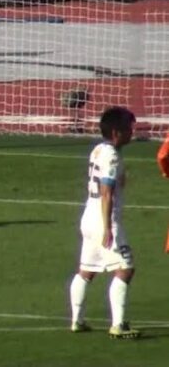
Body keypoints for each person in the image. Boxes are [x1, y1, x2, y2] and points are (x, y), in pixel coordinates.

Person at [68, 106, 141, 339]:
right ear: (117, 132)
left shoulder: (98, 149)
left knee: (86, 270)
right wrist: (108, 227)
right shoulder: (111, 155)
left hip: (88, 216)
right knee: (125, 269)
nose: (132, 132)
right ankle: (118, 324)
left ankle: (77, 320)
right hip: (103, 218)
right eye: (129, 128)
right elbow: (106, 192)